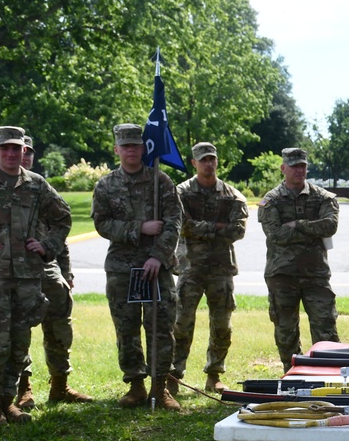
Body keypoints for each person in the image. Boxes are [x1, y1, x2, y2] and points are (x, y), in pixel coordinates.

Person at [91, 123, 183, 410]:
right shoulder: (106, 185)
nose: (131, 150)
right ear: (117, 149)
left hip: (158, 267)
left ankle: (160, 387)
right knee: (127, 328)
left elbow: (174, 221)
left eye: (136, 145)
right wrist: (139, 227)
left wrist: (158, 255)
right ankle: (136, 385)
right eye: (125, 146)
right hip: (122, 268)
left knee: (160, 327)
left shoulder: (161, 182)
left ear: (144, 148)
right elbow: (102, 223)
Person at [0, 126, 72, 428]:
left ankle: (7, 403)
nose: (11, 154)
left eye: (17, 148)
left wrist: (47, 246)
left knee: (19, 345)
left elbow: (63, 217)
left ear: (25, 151)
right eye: (5, 148)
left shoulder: (36, 184)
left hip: (27, 279)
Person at [13, 135, 93, 408]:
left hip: (44, 267)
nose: (23, 156)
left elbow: (61, 233)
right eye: (15, 150)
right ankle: (23, 388)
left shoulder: (39, 186)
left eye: (27, 152)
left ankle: (60, 385)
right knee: (18, 329)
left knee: (59, 325)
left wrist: (66, 272)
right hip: (7, 270)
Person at [169, 142, 248, 394]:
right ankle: (175, 374)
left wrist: (200, 228)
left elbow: (238, 230)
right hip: (189, 267)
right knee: (181, 323)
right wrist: (217, 227)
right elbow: (181, 225)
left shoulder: (231, 195)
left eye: (212, 159)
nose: (208, 163)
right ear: (194, 163)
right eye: (203, 160)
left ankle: (214, 373)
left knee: (222, 324)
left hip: (221, 270)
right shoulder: (180, 193)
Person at [258, 147, 339, 372]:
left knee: (325, 327)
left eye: (302, 165)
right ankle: (291, 371)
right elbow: (275, 234)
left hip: (316, 275)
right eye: (294, 166)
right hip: (282, 275)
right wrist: (312, 229)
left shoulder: (323, 197)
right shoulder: (271, 200)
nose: (299, 170)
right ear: (283, 168)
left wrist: (297, 224)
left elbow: (330, 225)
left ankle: (328, 372)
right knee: (286, 329)